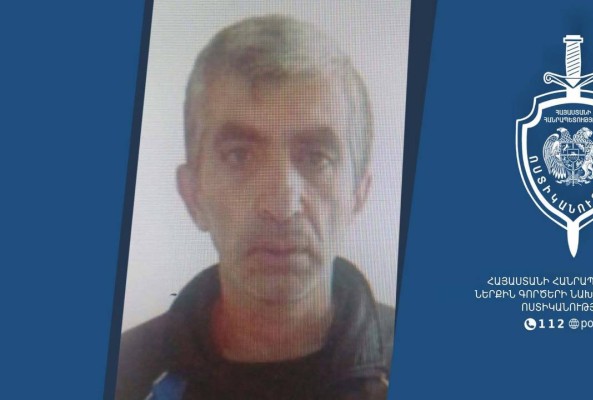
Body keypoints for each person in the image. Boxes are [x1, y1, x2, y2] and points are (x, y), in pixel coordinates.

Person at [115, 14, 395, 400]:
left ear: (359, 193)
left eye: (317, 158)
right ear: (192, 193)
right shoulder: (121, 376)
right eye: (239, 156)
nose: (281, 206)